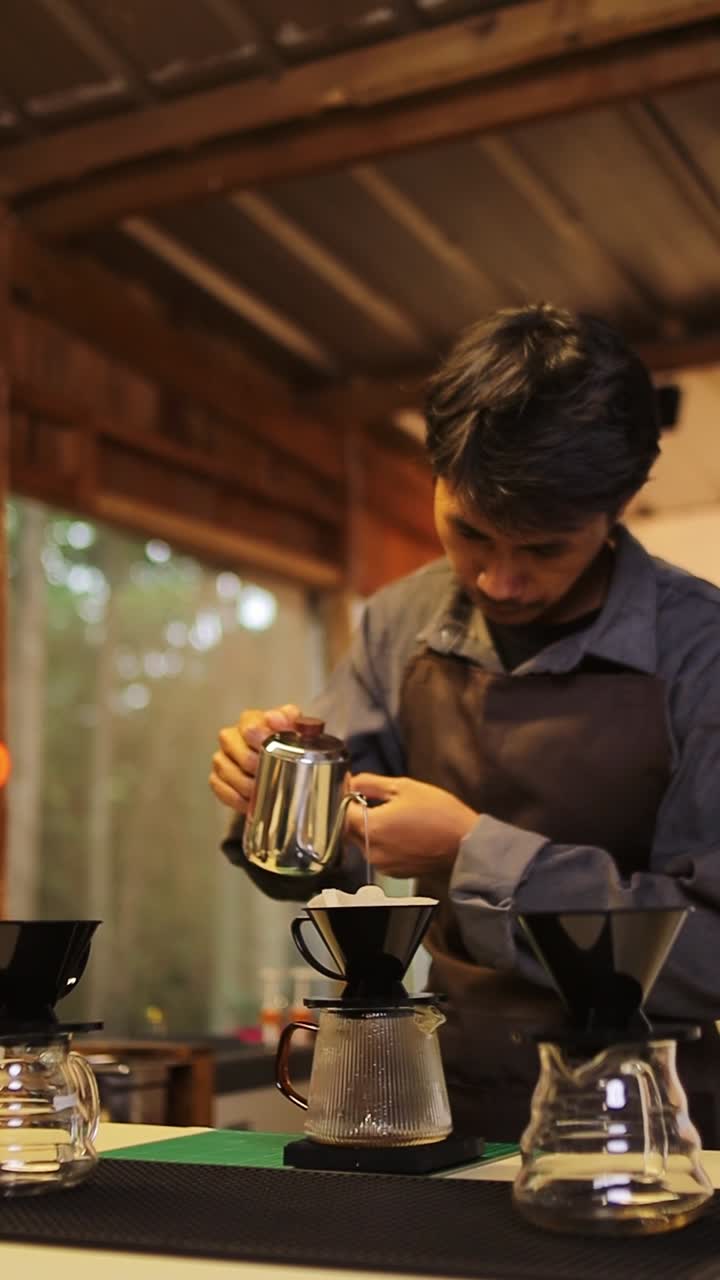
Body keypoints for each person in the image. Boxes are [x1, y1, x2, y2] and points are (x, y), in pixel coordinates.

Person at [211, 303, 720, 1143]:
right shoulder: (398, 621)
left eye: (546, 549)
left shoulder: (701, 650)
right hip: (442, 1110)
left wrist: (470, 853)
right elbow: (315, 864)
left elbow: (708, 954)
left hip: (656, 1125)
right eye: (469, 532)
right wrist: (270, 797)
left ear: (620, 505)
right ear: (437, 475)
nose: (501, 580)